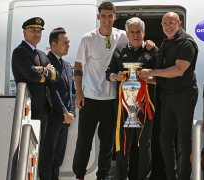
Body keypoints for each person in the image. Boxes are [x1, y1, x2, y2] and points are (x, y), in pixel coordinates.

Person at [138, 12, 199, 180]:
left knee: (184, 139)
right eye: (165, 23)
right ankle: (171, 176)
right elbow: (161, 75)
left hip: (184, 95)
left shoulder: (186, 43)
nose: (168, 26)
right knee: (164, 139)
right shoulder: (166, 42)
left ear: (179, 23)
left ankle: (184, 176)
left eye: (171, 22)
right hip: (167, 96)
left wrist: (152, 72)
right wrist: (139, 77)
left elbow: (178, 70)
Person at [72, 2, 128, 180]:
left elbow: (136, 45)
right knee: (84, 142)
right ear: (98, 17)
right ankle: (79, 175)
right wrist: (79, 93)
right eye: (103, 16)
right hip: (89, 98)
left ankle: (102, 176)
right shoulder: (87, 38)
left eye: (109, 16)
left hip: (111, 100)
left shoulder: (123, 36)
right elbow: (78, 66)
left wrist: (149, 44)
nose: (106, 19)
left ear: (115, 17)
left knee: (107, 145)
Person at [105, 17, 157, 180]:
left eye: (138, 32)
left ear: (144, 33)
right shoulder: (119, 52)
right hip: (124, 107)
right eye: (132, 32)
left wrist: (148, 78)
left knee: (145, 144)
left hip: (146, 105)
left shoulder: (152, 51)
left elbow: (163, 77)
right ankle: (121, 177)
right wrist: (117, 76)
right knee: (123, 145)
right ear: (127, 34)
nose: (135, 35)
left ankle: (144, 177)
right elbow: (108, 75)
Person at [11, 16, 58, 175]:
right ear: (24, 32)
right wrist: (45, 71)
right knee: (27, 151)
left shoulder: (41, 54)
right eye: (32, 30)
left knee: (38, 151)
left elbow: (54, 77)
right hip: (28, 110)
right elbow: (33, 76)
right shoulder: (19, 52)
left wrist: (43, 71)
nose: (36, 34)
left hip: (43, 109)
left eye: (39, 31)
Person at [40, 27, 76, 180]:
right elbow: (51, 90)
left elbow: (72, 90)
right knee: (47, 159)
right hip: (53, 117)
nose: (68, 46)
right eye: (65, 43)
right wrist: (63, 111)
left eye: (68, 43)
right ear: (53, 45)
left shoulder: (67, 65)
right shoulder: (47, 63)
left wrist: (71, 111)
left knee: (58, 159)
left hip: (66, 118)